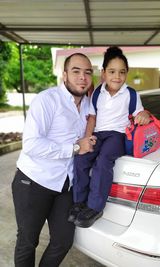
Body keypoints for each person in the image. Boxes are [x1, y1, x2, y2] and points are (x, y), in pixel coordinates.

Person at [11, 53, 97, 267]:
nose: (82, 77)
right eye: (76, 71)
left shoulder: (88, 105)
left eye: (87, 72)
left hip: (65, 185)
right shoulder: (47, 100)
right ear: (65, 75)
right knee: (28, 241)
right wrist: (75, 148)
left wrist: (142, 112)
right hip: (33, 181)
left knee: (63, 240)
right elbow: (30, 144)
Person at [68, 46, 150, 228]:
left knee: (103, 161)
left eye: (122, 72)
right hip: (98, 133)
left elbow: (141, 113)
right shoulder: (97, 92)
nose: (117, 76)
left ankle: (95, 207)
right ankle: (79, 202)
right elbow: (92, 117)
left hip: (118, 136)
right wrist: (88, 139)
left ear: (127, 74)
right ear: (104, 73)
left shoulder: (131, 94)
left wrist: (144, 114)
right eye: (112, 71)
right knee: (81, 159)